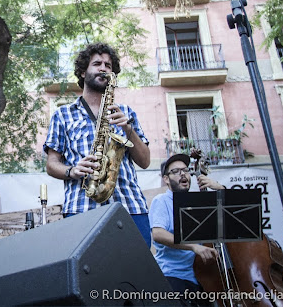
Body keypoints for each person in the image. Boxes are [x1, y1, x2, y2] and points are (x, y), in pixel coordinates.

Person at [44, 42, 152, 246]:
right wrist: (72, 171)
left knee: (136, 275)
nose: (103, 68)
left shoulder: (127, 113)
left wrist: (128, 128)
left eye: (108, 66)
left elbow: (145, 161)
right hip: (81, 209)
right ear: (83, 72)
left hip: (130, 207)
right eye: (97, 64)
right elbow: (51, 164)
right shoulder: (63, 115)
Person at [150, 153, 225, 306]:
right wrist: (193, 246)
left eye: (185, 170)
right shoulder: (162, 200)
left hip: (202, 277)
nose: (183, 174)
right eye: (176, 171)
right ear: (166, 179)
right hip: (173, 276)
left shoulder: (197, 202)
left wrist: (221, 189)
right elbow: (158, 234)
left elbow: (228, 221)